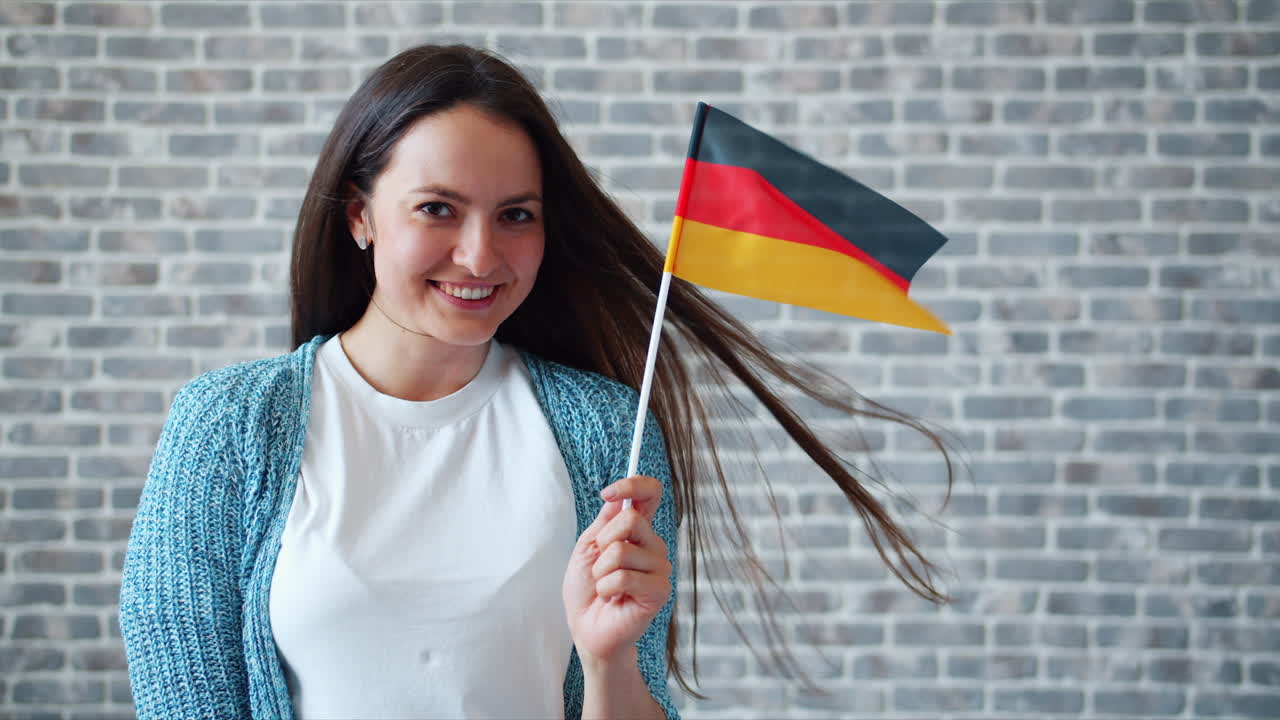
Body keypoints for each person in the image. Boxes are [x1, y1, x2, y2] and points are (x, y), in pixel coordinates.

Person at [119, 44, 954, 719]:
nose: (481, 256)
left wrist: (608, 656)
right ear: (360, 216)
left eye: (516, 214)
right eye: (437, 208)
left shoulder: (603, 433)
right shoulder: (230, 427)